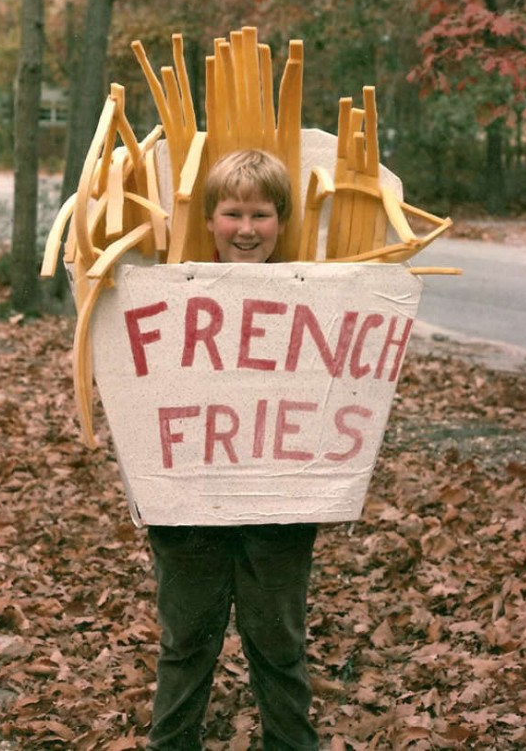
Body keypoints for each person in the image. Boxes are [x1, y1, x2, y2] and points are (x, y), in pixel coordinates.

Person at [146, 149, 319, 750]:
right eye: (233, 214)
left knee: (279, 647)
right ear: (210, 218)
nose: (246, 229)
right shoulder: (170, 290)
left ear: (283, 218)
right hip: (189, 506)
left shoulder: (315, 294)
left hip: (280, 506)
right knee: (186, 645)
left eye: (262, 215)